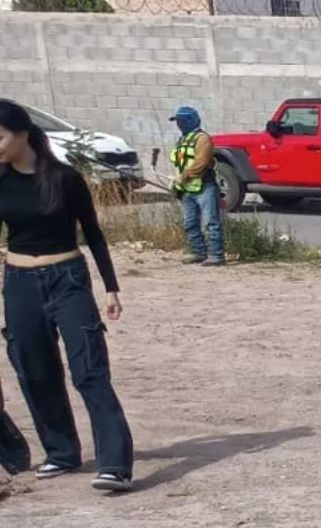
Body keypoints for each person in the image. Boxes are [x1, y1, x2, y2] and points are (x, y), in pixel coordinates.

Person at [0, 98, 135, 492]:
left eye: (1, 136)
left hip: (68, 278)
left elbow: (93, 232)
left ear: (23, 134)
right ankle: (61, 452)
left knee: (89, 371)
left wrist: (111, 286)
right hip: (19, 282)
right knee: (34, 370)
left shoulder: (63, 178)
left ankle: (115, 465)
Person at [168, 106, 223, 266]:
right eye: (177, 121)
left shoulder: (202, 139)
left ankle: (216, 255)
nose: (179, 124)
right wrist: (177, 182)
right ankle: (198, 252)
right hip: (186, 189)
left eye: (181, 121)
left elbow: (200, 163)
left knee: (210, 222)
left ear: (190, 121)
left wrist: (183, 177)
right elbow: (180, 162)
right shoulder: (182, 140)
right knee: (190, 223)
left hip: (204, 187)